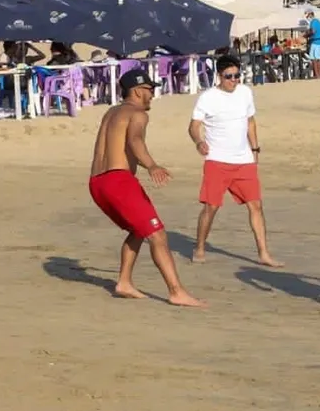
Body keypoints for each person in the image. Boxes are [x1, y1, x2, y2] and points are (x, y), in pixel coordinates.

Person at [87, 69, 205, 307]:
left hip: (96, 182)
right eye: (150, 90)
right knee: (157, 234)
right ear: (138, 90)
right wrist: (151, 165)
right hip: (117, 180)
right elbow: (135, 140)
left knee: (138, 229)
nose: (152, 95)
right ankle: (176, 291)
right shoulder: (137, 113)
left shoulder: (112, 112)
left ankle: (124, 282)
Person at [188, 55, 281, 267]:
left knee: (256, 206)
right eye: (229, 76)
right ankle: (200, 246)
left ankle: (264, 253)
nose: (234, 80)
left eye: (237, 76)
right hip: (217, 160)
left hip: (244, 160)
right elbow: (193, 126)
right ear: (219, 76)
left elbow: (250, 121)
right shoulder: (208, 97)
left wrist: (255, 148)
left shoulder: (245, 93)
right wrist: (198, 142)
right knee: (211, 207)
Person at [305, 10, 320, 78]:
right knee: (316, 57)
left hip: (316, 41)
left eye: (307, 16)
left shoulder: (313, 21)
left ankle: (317, 74)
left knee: (314, 58)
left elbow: (313, 31)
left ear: (310, 15)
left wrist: (306, 35)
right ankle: (319, 74)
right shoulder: (318, 21)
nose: (307, 17)